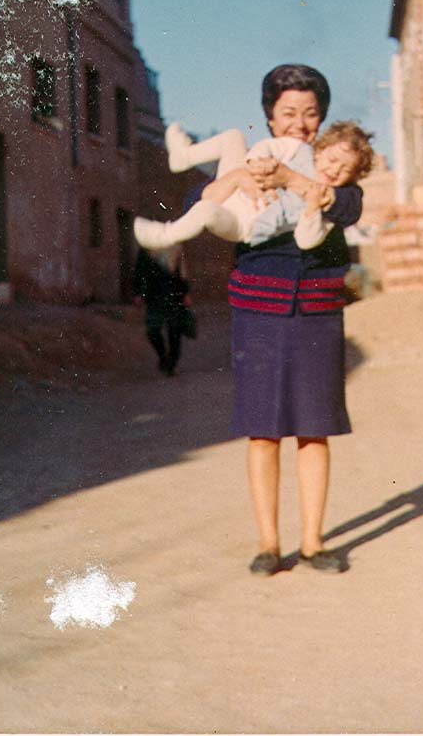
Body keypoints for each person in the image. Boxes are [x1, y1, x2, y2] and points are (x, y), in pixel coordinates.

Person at [185, 64, 366, 575]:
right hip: (258, 312)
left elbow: (346, 206)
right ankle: (269, 543)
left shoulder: (337, 173)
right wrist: (238, 178)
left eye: (311, 114)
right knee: (263, 432)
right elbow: (194, 205)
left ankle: (313, 542)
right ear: (270, 117)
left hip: (316, 314)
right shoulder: (250, 161)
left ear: (322, 119)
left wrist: (293, 178)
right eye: (289, 112)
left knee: (315, 430)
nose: (300, 124)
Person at [132, 120, 374, 251]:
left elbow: (306, 241)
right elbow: (268, 147)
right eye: (332, 160)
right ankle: (184, 156)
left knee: (205, 210)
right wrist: (253, 163)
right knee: (234, 137)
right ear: (320, 150)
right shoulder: (297, 149)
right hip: (240, 188)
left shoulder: (323, 200)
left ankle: (166, 235)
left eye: (345, 170)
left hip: (242, 224)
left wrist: (311, 209)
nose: (334, 170)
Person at [131, 245, 191, 376]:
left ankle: (172, 363)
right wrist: (137, 293)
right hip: (154, 295)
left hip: (174, 295)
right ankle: (163, 357)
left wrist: (186, 292)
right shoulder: (146, 248)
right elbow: (139, 270)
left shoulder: (176, 246)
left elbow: (182, 271)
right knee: (152, 330)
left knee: (174, 330)